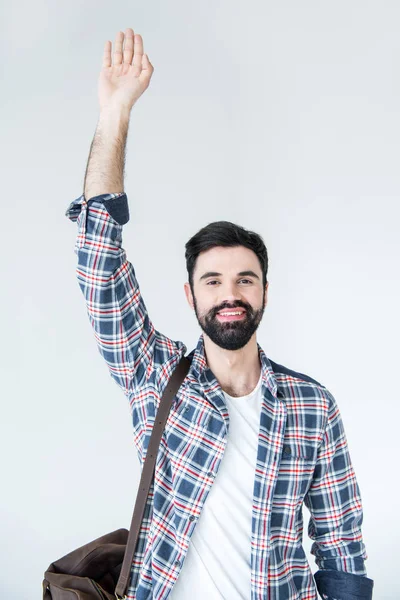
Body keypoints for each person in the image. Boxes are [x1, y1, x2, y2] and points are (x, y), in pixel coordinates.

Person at [65, 27, 374, 600]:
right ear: (191, 296)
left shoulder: (313, 407)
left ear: (264, 292)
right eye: (212, 281)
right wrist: (115, 116)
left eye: (244, 279)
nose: (229, 293)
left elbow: (341, 545)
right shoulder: (155, 377)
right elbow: (98, 264)